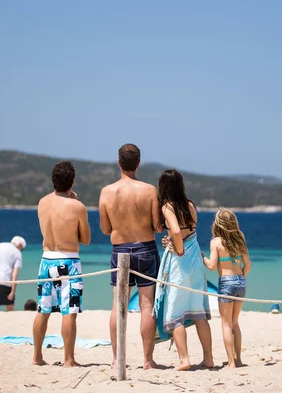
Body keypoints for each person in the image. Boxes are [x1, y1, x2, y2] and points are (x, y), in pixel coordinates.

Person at [99, 143, 163, 370]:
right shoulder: (149, 190)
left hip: (120, 250)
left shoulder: (107, 192)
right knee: (147, 306)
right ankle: (147, 360)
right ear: (138, 163)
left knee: (119, 306)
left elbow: (106, 230)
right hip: (145, 248)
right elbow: (157, 226)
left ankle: (117, 359)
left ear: (119, 163)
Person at [153, 169, 213, 371]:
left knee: (175, 311)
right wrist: (172, 241)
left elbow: (177, 231)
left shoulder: (167, 207)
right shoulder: (190, 205)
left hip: (182, 261)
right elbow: (186, 232)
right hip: (195, 257)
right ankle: (208, 358)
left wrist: (177, 249)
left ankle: (184, 359)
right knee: (199, 312)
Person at [32, 161, 91, 368]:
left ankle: (37, 357)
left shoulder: (42, 202)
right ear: (72, 182)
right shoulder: (77, 206)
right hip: (69, 261)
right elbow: (86, 239)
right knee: (69, 311)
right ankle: (68, 359)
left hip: (46, 259)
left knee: (43, 309)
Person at [202, 209, 251, 369]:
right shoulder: (240, 238)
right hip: (241, 282)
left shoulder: (215, 242)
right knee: (235, 323)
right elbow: (248, 265)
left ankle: (230, 363)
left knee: (226, 324)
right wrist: (241, 276)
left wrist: (202, 257)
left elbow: (211, 266)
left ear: (217, 224)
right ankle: (238, 360)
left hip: (226, 282)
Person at [0, 236, 26, 312]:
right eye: (22, 249)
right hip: (6, 282)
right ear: (19, 245)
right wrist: (13, 291)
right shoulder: (17, 253)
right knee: (10, 307)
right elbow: (15, 274)